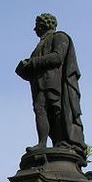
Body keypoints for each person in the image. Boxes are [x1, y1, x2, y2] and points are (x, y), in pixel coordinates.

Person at [15, 13, 86, 150]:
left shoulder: (59, 36)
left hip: (53, 81)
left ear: (44, 24)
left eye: (37, 25)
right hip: (40, 83)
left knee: (55, 109)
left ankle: (61, 141)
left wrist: (32, 62)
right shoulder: (40, 45)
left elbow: (57, 57)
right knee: (40, 109)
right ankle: (42, 143)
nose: (34, 29)